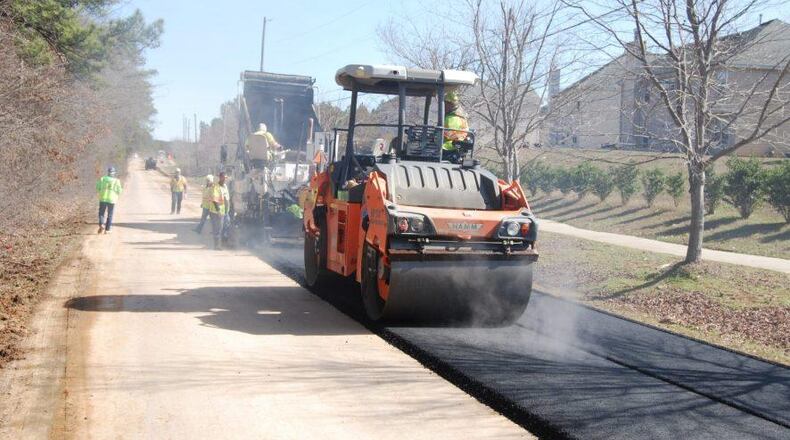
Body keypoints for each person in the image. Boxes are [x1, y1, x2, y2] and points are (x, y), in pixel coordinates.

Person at [442, 90, 470, 162]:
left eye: (445, 103)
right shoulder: (461, 117)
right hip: (456, 148)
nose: (444, 106)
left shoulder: (451, 119)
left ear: (450, 104)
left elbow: (447, 135)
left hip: (448, 148)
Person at [96, 166, 122, 234]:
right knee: (110, 214)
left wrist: (101, 190)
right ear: (114, 173)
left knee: (101, 213)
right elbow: (119, 191)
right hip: (112, 200)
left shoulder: (102, 179)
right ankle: (107, 230)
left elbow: (97, 187)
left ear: (108, 172)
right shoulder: (116, 181)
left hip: (103, 198)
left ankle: (101, 224)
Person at [209, 172, 230, 250]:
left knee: (226, 226)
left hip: (224, 211)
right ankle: (217, 246)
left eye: (226, 178)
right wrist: (218, 211)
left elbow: (226, 198)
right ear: (220, 178)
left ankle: (224, 243)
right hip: (216, 212)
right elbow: (215, 200)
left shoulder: (225, 186)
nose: (225, 179)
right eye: (223, 178)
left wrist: (227, 211)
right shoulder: (216, 187)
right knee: (218, 229)